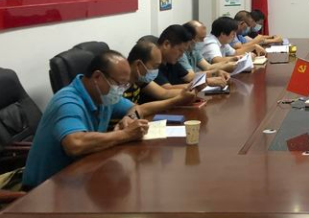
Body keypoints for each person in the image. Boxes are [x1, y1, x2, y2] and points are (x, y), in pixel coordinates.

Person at [23, 51, 149, 189]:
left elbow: (135, 108)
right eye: (119, 84)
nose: (121, 91)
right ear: (97, 77)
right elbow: (75, 144)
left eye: (125, 86)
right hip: (44, 189)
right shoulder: (67, 102)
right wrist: (125, 134)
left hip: (80, 174)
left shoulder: (103, 96)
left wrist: (129, 118)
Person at [124, 40, 197, 113]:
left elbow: (163, 93)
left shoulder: (140, 80)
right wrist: (178, 99)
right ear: (138, 64)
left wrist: (188, 93)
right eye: (155, 66)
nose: (156, 71)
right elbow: (141, 110)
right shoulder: (120, 86)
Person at [180, 21, 234, 85]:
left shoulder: (193, 50)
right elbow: (190, 77)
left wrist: (230, 62)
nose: (204, 41)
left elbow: (208, 67)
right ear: (190, 38)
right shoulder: (180, 53)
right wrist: (214, 73)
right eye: (201, 38)